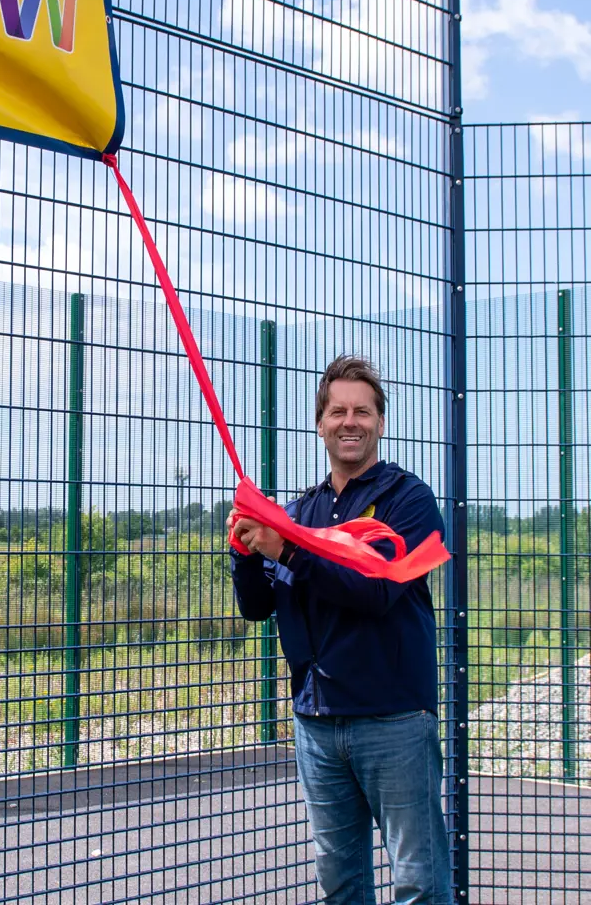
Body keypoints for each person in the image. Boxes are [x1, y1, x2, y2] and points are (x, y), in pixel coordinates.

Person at [227, 355, 452, 905]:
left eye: (362, 411)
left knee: (419, 883)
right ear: (320, 422)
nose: (349, 421)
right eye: (338, 411)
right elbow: (259, 608)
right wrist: (244, 551)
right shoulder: (298, 511)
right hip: (317, 723)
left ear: (380, 422)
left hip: (394, 720)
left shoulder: (409, 501)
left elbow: (375, 591)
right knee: (340, 886)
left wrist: (285, 547)